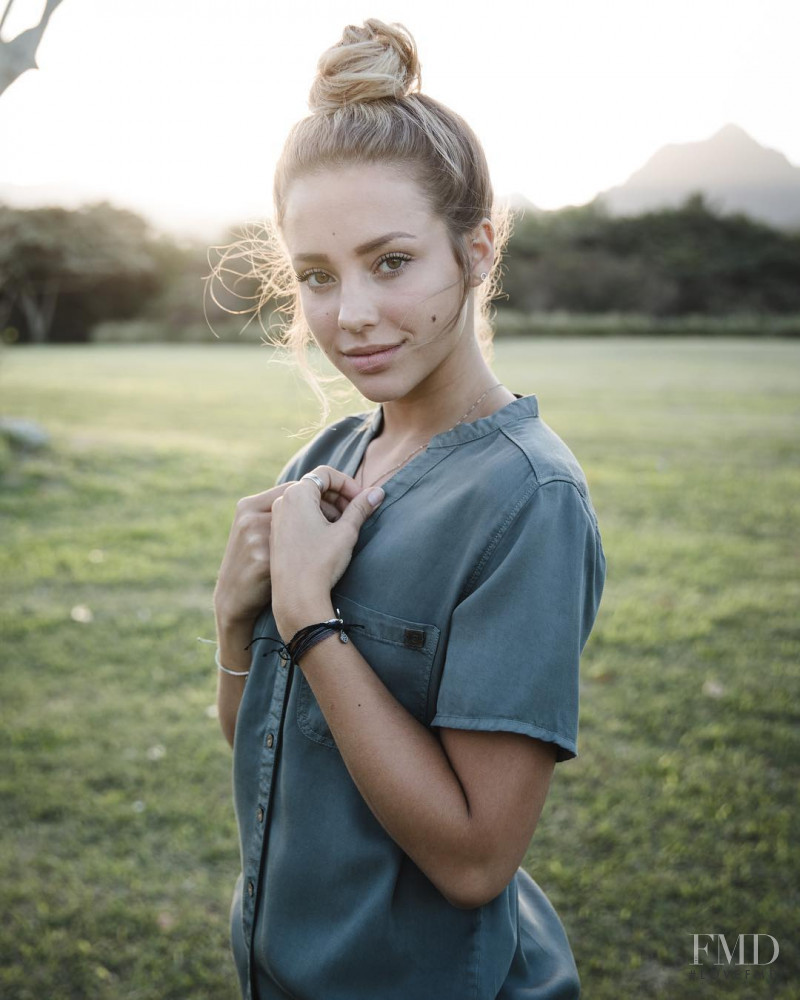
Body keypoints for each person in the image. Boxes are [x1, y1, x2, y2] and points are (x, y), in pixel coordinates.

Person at [211, 19, 606, 1000]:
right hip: (280, 970)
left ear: (476, 249)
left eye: (389, 261)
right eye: (316, 275)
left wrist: (309, 618)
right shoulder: (326, 456)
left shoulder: (526, 500)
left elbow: (474, 858)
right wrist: (233, 616)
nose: (348, 314)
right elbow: (262, 738)